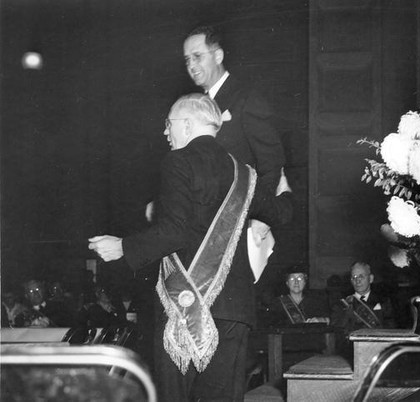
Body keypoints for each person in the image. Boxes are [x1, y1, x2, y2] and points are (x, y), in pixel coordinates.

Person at [88, 94, 292, 402]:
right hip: (234, 311)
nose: (165, 132)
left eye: (168, 124)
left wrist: (122, 247)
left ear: (186, 124)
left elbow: (174, 232)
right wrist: (287, 191)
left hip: (182, 309)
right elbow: (281, 214)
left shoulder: (177, 161)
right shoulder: (245, 174)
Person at [182, 24, 287, 269]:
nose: (191, 65)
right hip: (200, 226)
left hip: (236, 225)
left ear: (218, 55)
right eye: (187, 59)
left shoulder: (247, 98)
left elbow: (272, 164)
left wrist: (261, 215)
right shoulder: (196, 105)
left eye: (198, 56)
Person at [331, 262, 396, 356]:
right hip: (351, 353)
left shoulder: (384, 301)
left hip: (378, 351)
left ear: (371, 278)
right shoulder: (342, 304)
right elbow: (337, 331)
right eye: (354, 277)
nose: (357, 281)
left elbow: (391, 328)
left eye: (361, 276)